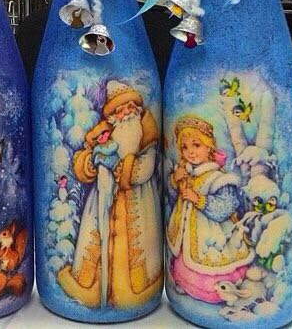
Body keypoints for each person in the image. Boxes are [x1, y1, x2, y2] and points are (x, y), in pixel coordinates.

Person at [58, 81, 162, 308]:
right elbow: (85, 159)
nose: (126, 114)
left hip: (135, 201)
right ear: (113, 116)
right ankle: (94, 289)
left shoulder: (146, 135)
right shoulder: (105, 134)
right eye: (120, 110)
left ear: (137, 109)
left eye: (130, 108)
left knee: (133, 249)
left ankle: (130, 292)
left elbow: (146, 167)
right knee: (98, 241)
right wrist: (91, 164)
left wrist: (124, 170)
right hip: (103, 198)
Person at [166, 115, 254, 303]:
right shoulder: (185, 172)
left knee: (211, 267)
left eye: (196, 145)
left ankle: (217, 292)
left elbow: (226, 207)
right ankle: (185, 285)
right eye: (185, 147)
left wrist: (199, 200)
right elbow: (172, 200)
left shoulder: (218, 178)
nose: (190, 152)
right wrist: (174, 181)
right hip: (187, 237)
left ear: (209, 147)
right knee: (184, 263)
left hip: (211, 236)